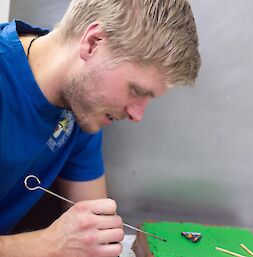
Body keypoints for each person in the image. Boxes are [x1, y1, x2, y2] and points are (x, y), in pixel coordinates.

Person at [0, 0, 201, 256]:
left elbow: (97, 235)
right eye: (136, 90)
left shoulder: (81, 107)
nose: (137, 114)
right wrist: (47, 245)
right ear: (93, 42)